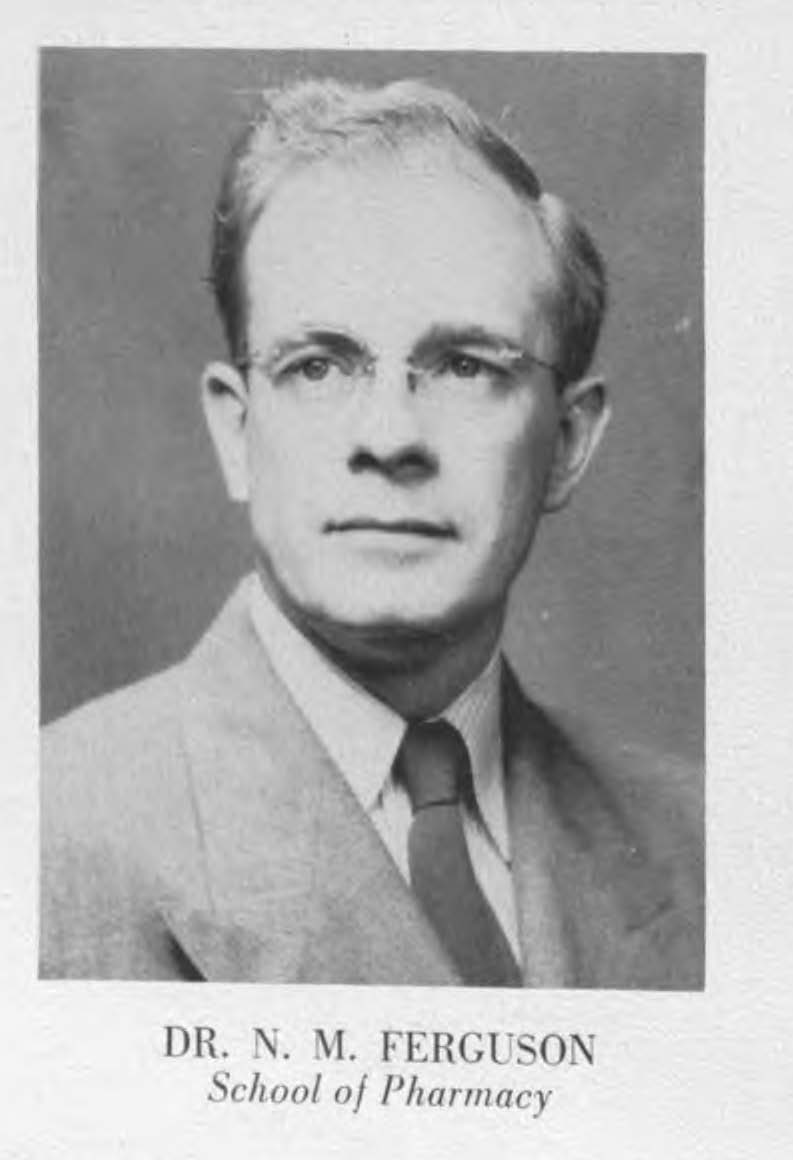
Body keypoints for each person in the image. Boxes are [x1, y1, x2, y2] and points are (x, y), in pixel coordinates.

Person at [39, 77, 704, 987]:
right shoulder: (46, 829)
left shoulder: (711, 844)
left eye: (466, 365)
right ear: (236, 432)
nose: (389, 437)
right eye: (318, 366)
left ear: (566, 442)